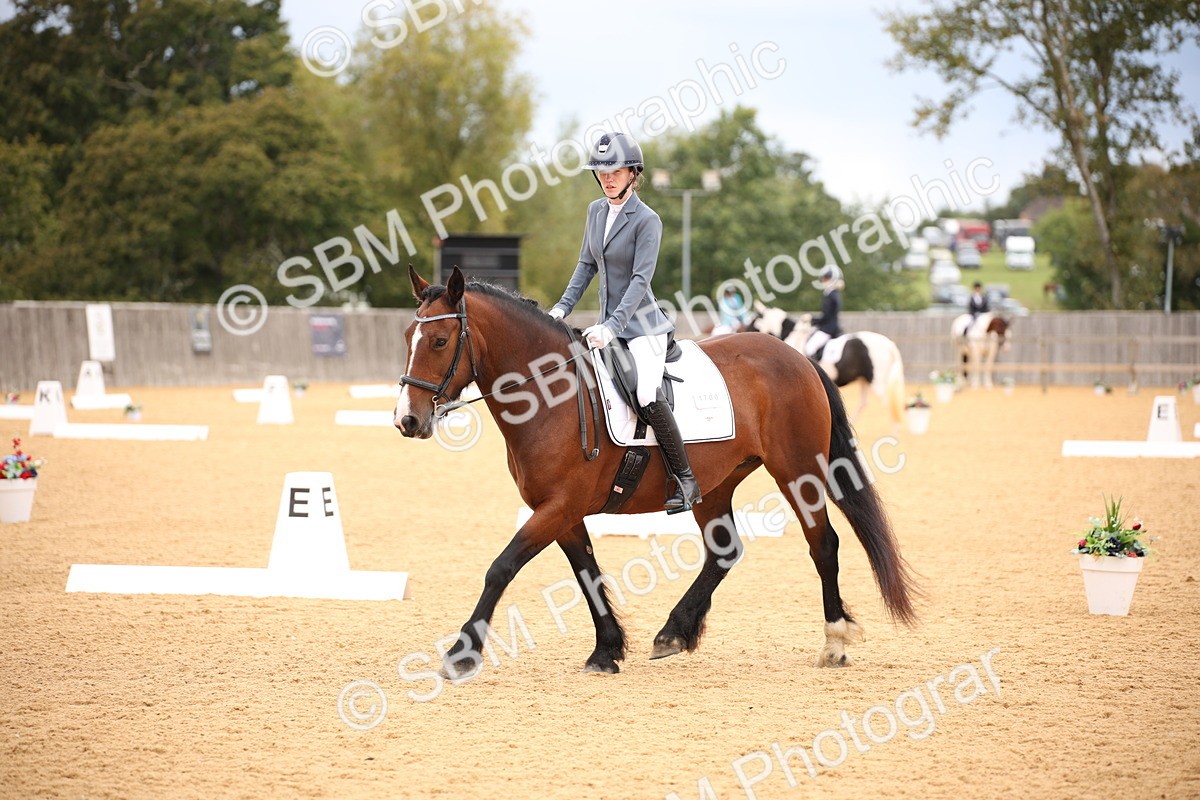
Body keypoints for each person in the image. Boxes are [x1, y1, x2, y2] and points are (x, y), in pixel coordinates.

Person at [548, 132, 701, 513]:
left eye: (615, 171)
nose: (608, 178)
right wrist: (561, 308)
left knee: (646, 395)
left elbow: (639, 281)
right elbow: (586, 266)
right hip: (608, 326)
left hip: (642, 327)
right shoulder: (595, 211)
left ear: (633, 173)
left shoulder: (648, 220)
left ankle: (685, 480)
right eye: (601, 172)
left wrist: (613, 326)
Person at [804, 265, 844, 357]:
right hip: (831, 327)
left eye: (826, 278)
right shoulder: (834, 293)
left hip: (828, 329)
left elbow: (826, 317)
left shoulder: (830, 295)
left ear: (833, 279)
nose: (823, 280)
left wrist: (811, 320)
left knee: (809, 348)